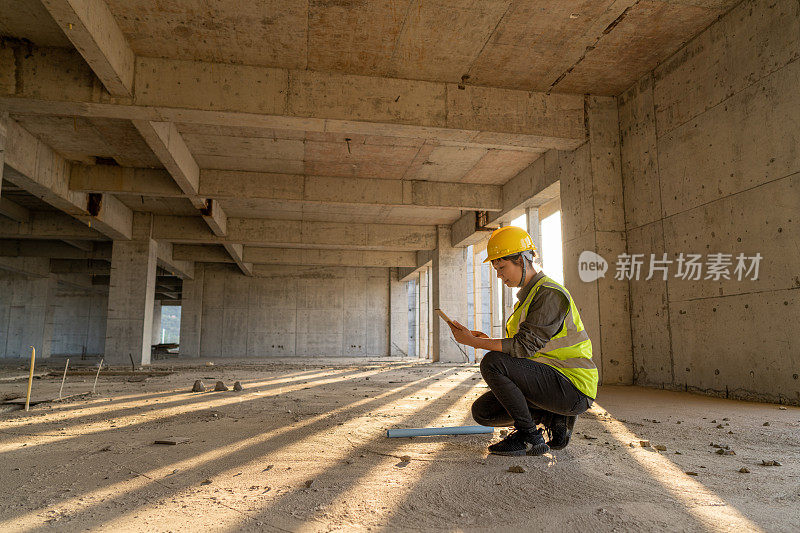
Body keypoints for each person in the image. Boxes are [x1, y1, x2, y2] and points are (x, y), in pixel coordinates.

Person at [446, 226, 598, 456]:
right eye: (496, 269)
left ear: (521, 260)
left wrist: (475, 343)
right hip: (549, 379)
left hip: (573, 386)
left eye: (502, 267)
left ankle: (529, 436)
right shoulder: (529, 297)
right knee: (483, 412)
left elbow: (521, 347)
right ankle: (553, 416)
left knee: (492, 362)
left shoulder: (549, 294)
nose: (499, 275)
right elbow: (523, 350)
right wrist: (486, 340)